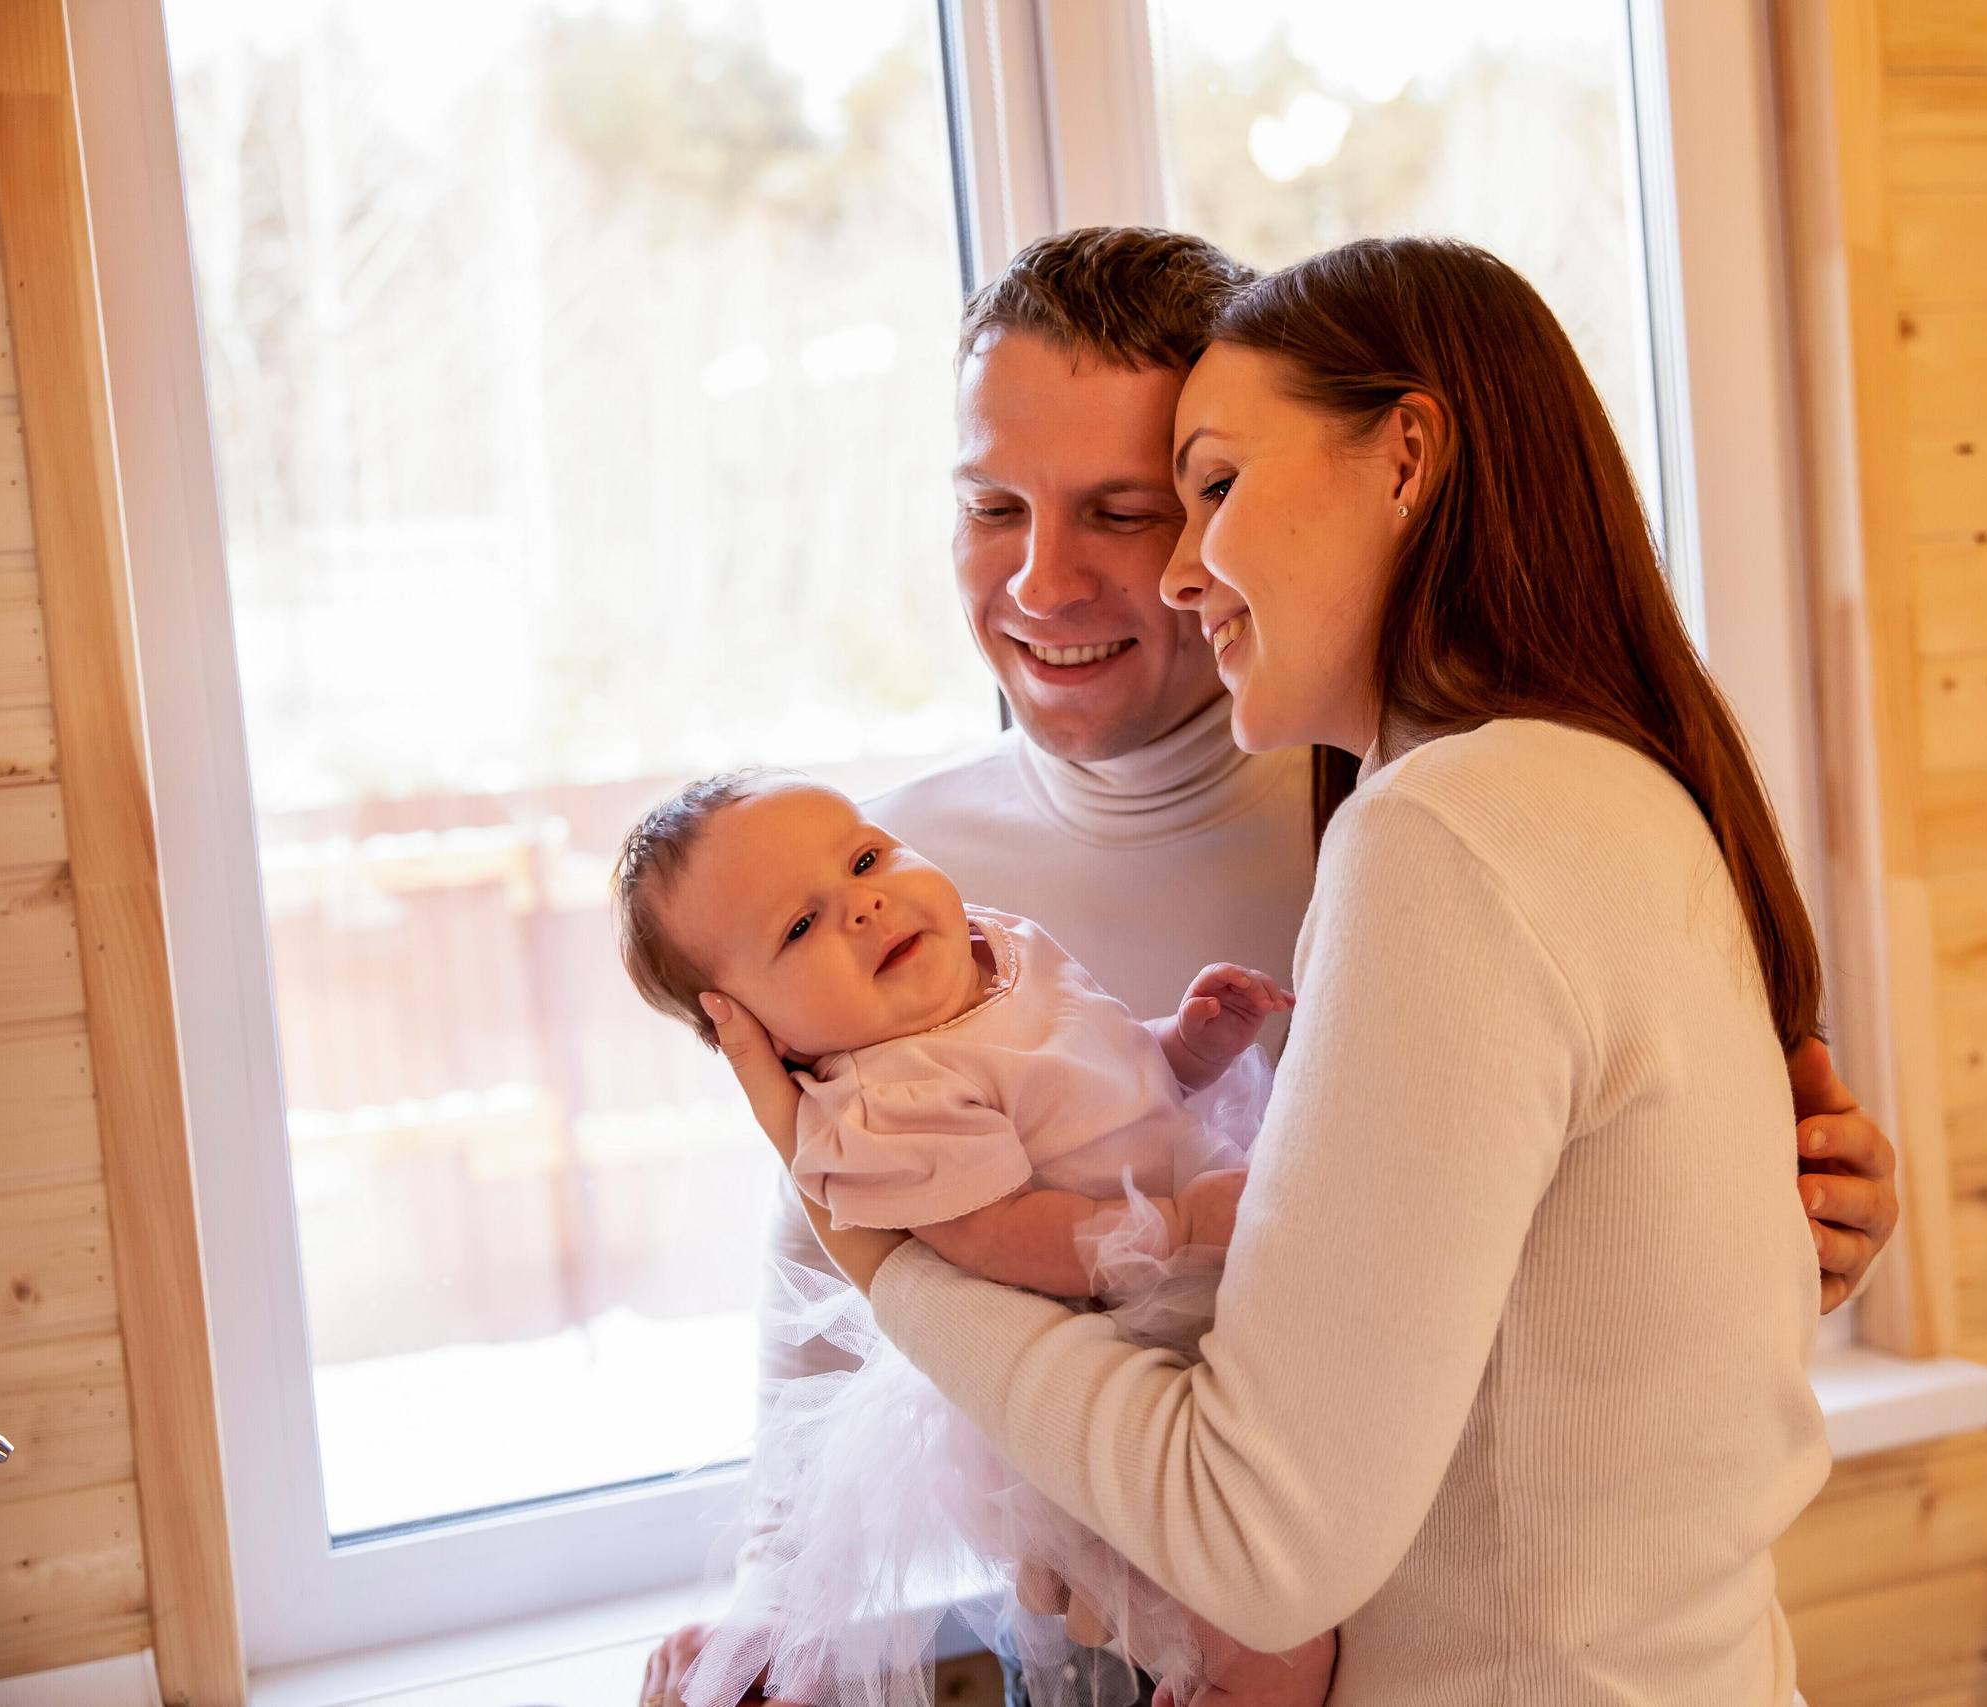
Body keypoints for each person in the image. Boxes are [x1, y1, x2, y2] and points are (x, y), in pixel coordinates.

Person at [639, 228, 1900, 1707]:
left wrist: (1800, 1216)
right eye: (991, 505)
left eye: (1148, 501)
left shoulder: (1412, 828)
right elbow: (824, 1303)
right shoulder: (883, 876)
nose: (1051, 578)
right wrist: (773, 1602)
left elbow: (1474, 1375)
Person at [612, 771, 1325, 1707]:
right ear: (760, 1035)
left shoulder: (995, 952)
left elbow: (1104, 1082)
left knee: (1287, 1580)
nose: (864, 905)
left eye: (865, 858)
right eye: (799, 927)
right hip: (1102, 1356)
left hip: (1182, 1273)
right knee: (1264, 1633)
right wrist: (1181, 1225)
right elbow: (996, 1235)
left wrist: (1186, 1046)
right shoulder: (884, 1100)